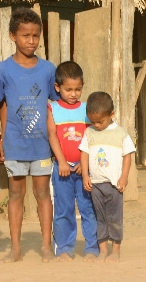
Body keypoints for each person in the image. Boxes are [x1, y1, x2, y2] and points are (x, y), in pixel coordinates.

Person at [0, 7, 58, 263]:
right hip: (14, 144)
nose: (31, 41)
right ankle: (15, 248)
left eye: (36, 36)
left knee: (42, 195)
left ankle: (46, 246)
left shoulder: (48, 70)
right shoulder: (3, 70)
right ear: (12, 36)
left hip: (41, 147)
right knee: (15, 195)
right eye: (25, 35)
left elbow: (56, 105)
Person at [46, 61, 99, 262]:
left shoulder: (88, 109)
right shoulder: (52, 108)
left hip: (84, 171)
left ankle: (92, 248)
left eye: (78, 89)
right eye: (68, 89)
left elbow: (93, 138)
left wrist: (84, 166)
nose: (73, 94)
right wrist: (62, 162)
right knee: (63, 209)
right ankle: (65, 249)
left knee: (88, 209)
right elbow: (52, 135)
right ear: (57, 87)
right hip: (62, 170)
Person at [79, 91, 136, 263]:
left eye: (100, 121)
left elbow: (128, 155)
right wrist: (85, 176)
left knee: (115, 218)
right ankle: (103, 250)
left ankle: (115, 251)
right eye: (93, 121)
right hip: (95, 185)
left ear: (111, 114)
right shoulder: (89, 133)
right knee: (100, 218)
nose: (96, 125)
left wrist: (124, 177)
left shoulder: (120, 133)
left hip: (114, 186)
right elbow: (84, 154)